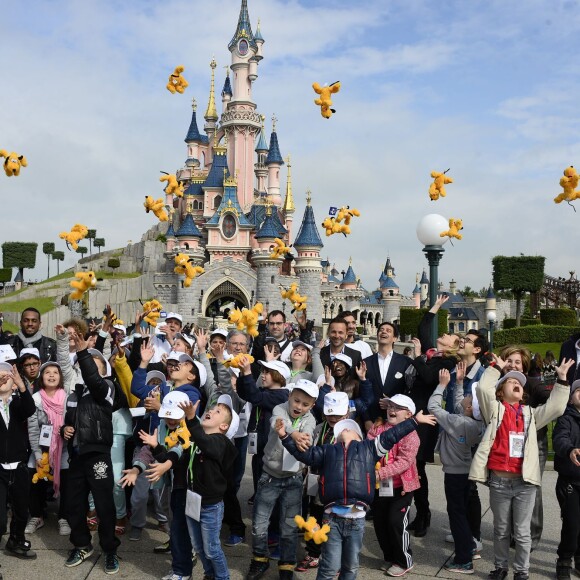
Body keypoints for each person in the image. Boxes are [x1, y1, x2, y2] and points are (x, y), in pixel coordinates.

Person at [278, 412, 437, 580]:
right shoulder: (327, 451)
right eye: (342, 429)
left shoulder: (368, 449)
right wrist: (285, 437)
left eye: (351, 428)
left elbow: (392, 435)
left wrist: (414, 421)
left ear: (360, 438)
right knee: (329, 566)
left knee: (351, 566)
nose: (346, 428)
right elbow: (304, 454)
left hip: (357, 519)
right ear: (337, 438)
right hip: (332, 519)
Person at [469, 357, 573, 580]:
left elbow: (555, 407)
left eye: (520, 382)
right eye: (510, 381)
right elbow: (484, 390)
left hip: (524, 483)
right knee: (501, 529)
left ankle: (522, 571)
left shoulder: (530, 415)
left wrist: (562, 379)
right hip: (499, 480)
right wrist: (497, 368)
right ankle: (500, 567)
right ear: (500, 391)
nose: (517, 383)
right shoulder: (494, 410)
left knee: (523, 532)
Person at [245, 378, 319, 580]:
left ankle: (286, 565)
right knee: (260, 524)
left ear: (312, 406)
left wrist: (304, 438)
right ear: (289, 397)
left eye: (305, 404)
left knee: (289, 527)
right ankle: (259, 559)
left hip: (293, 480)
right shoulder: (279, 408)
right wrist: (293, 434)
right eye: (296, 401)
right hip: (269, 475)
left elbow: (308, 436)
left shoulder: (310, 419)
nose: (299, 407)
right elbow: (278, 423)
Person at [62, 331, 121, 575]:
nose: (88, 368)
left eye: (95, 364)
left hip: (97, 454)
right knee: (73, 505)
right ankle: (82, 544)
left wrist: (84, 351)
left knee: (105, 504)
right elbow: (69, 422)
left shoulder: (107, 387)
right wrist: (63, 429)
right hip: (77, 455)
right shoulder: (75, 394)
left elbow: (95, 381)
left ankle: (109, 549)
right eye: (86, 363)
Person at [407, 294, 459, 537]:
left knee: (417, 465)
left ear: (453, 346)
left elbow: (428, 377)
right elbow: (423, 327)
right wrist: (436, 306)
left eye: (449, 335)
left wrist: (418, 356)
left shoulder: (447, 364)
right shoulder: (432, 354)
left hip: (426, 420)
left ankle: (423, 513)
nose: (444, 333)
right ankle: (412, 511)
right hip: (411, 414)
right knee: (408, 463)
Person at [428, 366, 485, 574]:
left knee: (457, 515)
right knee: (461, 511)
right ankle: (470, 545)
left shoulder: (455, 422)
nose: (466, 398)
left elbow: (433, 407)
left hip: (453, 474)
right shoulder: (473, 422)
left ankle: (463, 559)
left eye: (469, 399)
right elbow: (462, 405)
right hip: (466, 471)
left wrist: (442, 385)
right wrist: (459, 383)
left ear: (470, 409)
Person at [181, 395, 239, 580]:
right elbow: (181, 462)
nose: (210, 411)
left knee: (212, 549)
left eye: (217, 412)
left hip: (210, 507)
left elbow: (208, 445)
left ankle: (223, 577)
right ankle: (210, 575)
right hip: (193, 502)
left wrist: (191, 419)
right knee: (198, 547)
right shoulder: (199, 441)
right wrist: (157, 448)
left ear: (224, 426)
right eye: (211, 409)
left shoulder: (221, 443)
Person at [367, 394, 422, 577]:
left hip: (402, 487)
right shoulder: (378, 429)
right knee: (380, 522)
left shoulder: (411, 435)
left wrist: (379, 473)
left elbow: (404, 462)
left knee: (395, 522)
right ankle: (390, 558)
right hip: (381, 484)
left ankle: (404, 560)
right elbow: (369, 448)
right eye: (390, 406)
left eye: (398, 408)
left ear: (408, 415)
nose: (392, 410)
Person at [296, 392, 350, 573]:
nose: (333, 417)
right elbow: (308, 451)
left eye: (338, 414)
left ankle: (338, 558)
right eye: (330, 413)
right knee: (314, 518)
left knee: (337, 522)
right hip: (316, 482)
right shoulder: (319, 428)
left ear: (347, 413)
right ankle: (313, 553)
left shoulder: (351, 433)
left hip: (339, 486)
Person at [26, 361, 72, 536]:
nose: (51, 375)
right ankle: (37, 516)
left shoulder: (67, 398)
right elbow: (32, 429)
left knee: (67, 481)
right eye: (47, 372)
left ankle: (64, 517)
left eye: (55, 372)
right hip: (41, 448)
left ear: (60, 377)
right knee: (34, 478)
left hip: (63, 448)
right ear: (41, 377)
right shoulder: (35, 399)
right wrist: (38, 455)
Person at [0, 362, 37, 570]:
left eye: (7, 376)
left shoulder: (17, 404)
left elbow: (30, 409)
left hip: (19, 466)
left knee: (22, 510)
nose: (4, 379)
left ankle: (15, 540)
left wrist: (22, 386)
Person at [553, 378, 580, 579]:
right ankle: (564, 561)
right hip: (571, 481)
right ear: (570, 399)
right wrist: (570, 450)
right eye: (578, 391)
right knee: (572, 524)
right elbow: (560, 439)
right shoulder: (566, 418)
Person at [364, 322, 412, 425]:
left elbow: (409, 390)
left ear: (395, 338)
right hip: (372, 421)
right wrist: (366, 420)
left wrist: (393, 403)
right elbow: (361, 394)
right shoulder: (365, 363)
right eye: (381, 330)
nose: (384, 332)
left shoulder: (405, 362)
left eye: (388, 331)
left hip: (397, 421)